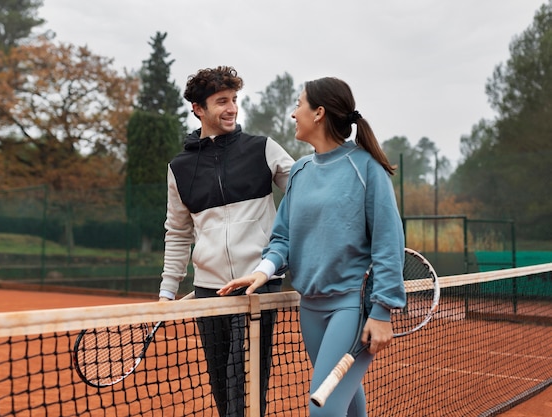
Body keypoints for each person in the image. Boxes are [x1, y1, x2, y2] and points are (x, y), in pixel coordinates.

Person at [217, 77, 406, 417]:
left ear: (318, 113)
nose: (293, 113)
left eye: (299, 104)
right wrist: (263, 271)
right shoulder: (301, 170)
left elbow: (388, 243)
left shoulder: (366, 168)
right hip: (311, 309)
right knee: (346, 404)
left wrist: (381, 313)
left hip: (352, 306)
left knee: (323, 410)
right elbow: (283, 237)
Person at [158, 66, 294, 417]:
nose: (232, 108)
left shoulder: (263, 149)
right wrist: (166, 292)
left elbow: (308, 192)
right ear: (198, 108)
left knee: (243, 386)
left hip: (257, 288)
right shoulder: (180, 168)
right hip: (208, 293)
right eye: (222, 101)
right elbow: (177, 232)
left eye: (234, 100)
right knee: (222, 389)